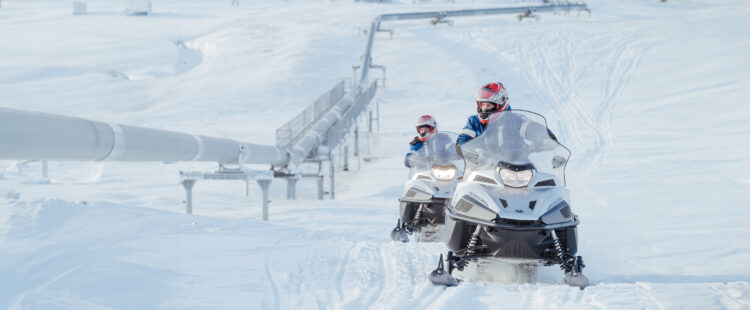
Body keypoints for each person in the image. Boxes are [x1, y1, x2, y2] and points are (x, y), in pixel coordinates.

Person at [456, 82, 557, 150]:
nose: (485, 108)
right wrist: (465, 149)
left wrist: (546, 137)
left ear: (501, 104)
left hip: (515, 168)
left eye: (489, 105)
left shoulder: (515, 120)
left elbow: (531, 127)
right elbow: (463, 140)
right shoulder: (473, 121)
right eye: (483, 105)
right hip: (480, 168)